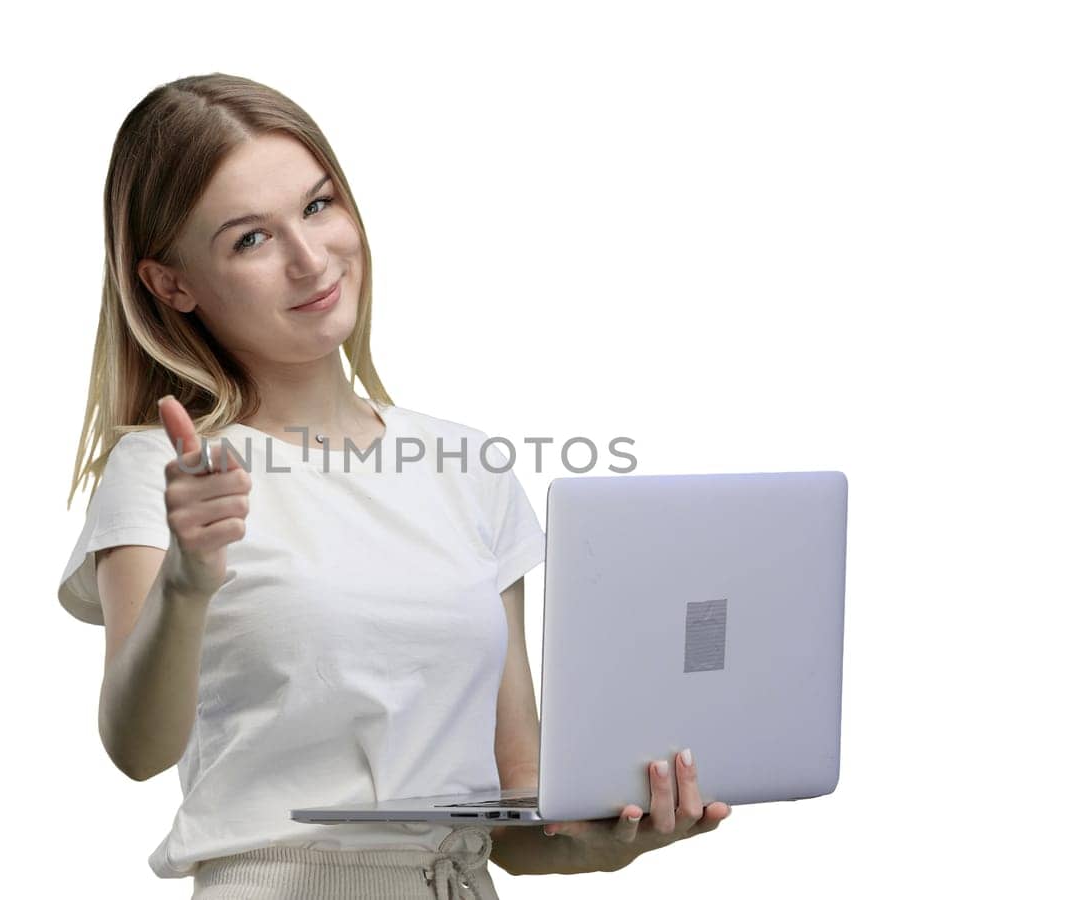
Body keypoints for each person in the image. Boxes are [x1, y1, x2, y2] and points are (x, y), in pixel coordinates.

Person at [57, 73, 731, 899]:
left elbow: (514, 818)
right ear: (171, 285)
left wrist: (614, 840)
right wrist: (187, 583)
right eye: (249, 240)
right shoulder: (168, 469)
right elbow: (135, 747)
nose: (311, 260)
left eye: (317, 206)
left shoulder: (469, 467)